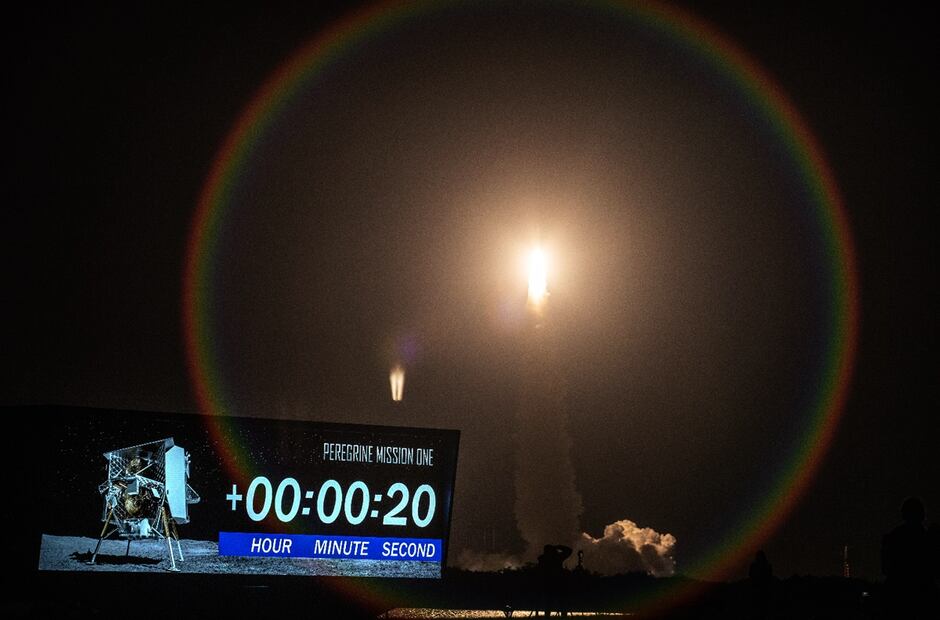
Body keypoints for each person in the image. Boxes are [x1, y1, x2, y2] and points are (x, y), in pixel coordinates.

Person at [881, 497, 938, 618]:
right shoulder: (927, 539)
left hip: (898, 596)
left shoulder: (894, 537)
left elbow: (885, 568)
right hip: (921, 597)